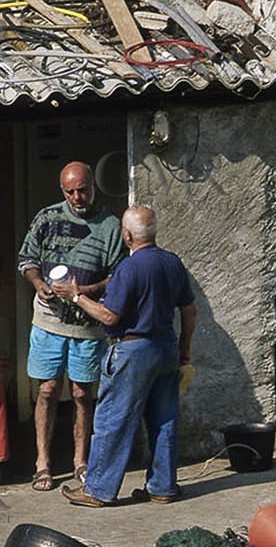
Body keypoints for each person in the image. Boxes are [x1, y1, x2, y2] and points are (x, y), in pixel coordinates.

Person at [53, 205, 196, 507]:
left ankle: (98, 490)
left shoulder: (128, 269)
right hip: (166, 348)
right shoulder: (172, 263)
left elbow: (109, 316)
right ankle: (162, 487)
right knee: (164, 419)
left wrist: (76, 297)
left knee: (113, 420)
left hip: (132, 351)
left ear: (128, 235)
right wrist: (184, 350)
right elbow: (189, 309)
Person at [17, 161, 125, 491]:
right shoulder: (47, 217)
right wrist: (37, 283)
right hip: (48, 320)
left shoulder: (110, 226)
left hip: (87, 324)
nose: (77, 197)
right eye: (70, 192)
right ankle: (43, 463)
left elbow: (118, 276)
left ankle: (81, 461)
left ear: (94, 186)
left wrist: (83, 293)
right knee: (47, 390)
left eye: (83, 190)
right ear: (62, 191)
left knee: (81, 393)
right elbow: (27, 259)